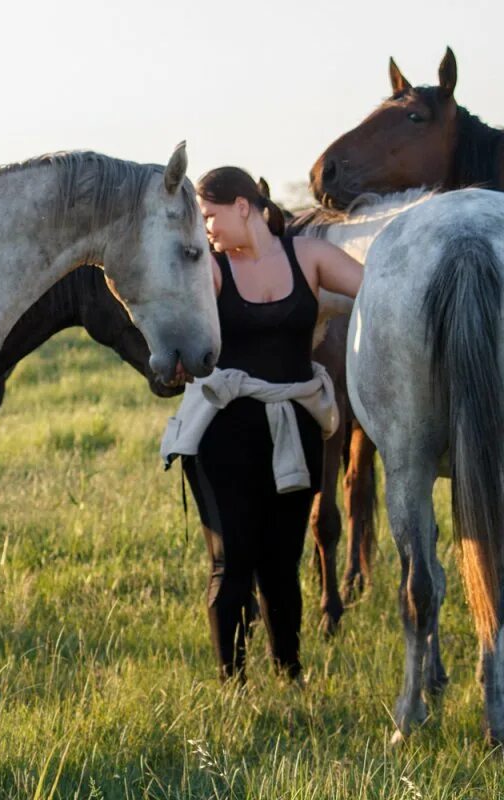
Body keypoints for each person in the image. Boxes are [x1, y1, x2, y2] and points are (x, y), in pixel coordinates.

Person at [160, 167, 363, 682]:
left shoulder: (309, 257)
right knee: (232, 563)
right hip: (224, 434)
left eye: (210, 215)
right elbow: (175, 328)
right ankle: (234, 688)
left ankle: (290, 674)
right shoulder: (212, 269)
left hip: (295, 427)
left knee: (281, 563)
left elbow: (378, 288)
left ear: (242, 206)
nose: (206, 227)